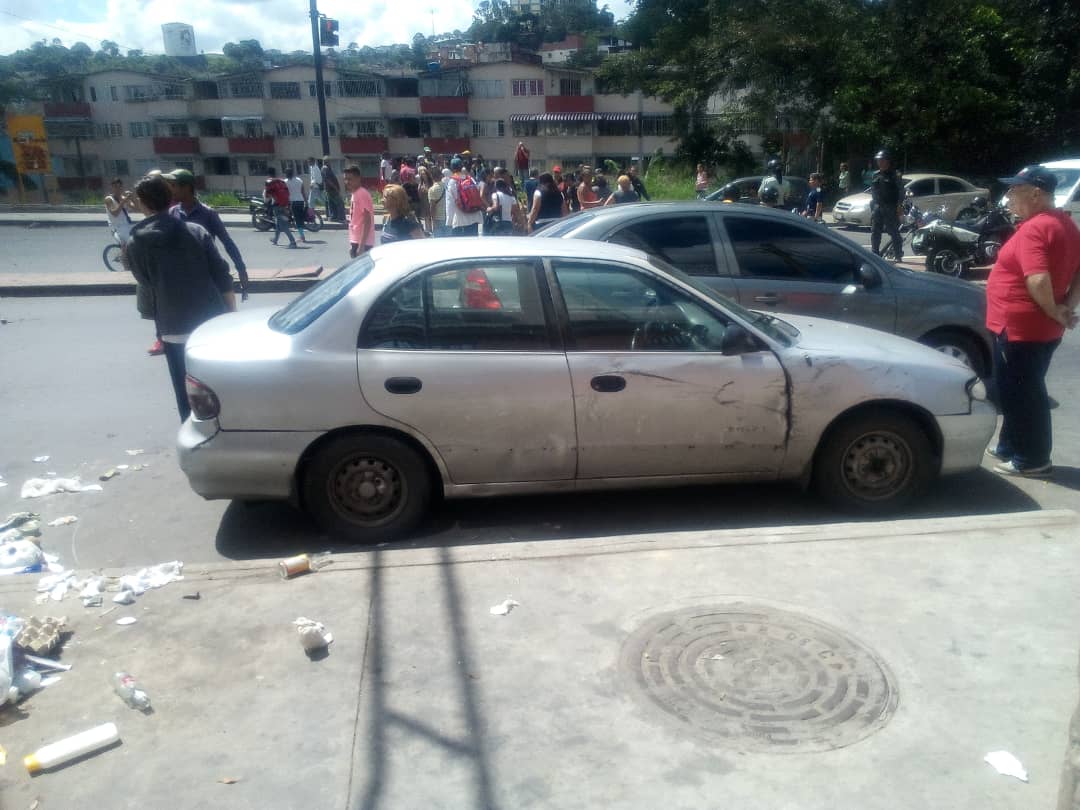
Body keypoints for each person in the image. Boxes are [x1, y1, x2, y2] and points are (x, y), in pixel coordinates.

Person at [985, 165, 1080, 477]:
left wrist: (1057, 311)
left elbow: (1037, 279)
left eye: (1016, 190)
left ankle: (1033, 459)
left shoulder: (1036, 228)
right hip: (1040, 328)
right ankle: (1009, 446)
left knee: (1024, 394)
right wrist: (1066, 307)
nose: (1010, 196)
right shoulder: (1065, 223)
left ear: (1036, 194)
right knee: (1020, 389)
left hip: (1022, 328)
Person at [125, 174, 236, 422]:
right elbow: (222, 275)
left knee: (184, 387)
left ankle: (193, 431)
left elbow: (145, 282)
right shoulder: (195, 231)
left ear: (143, 203)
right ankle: (224, 431)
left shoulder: (135, 241)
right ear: (169, 198)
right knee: (216, 384)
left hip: (172, 327)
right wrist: (230, 316)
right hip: (210, 324)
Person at [164, 169, 249, 301]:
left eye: (174, 186)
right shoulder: (172, 213)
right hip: (182, 277)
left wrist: (241, 270)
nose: (170, 190)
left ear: (186, 187)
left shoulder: (208, 214)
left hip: (207, 276)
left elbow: (227, 242)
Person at [869, 149, 904, 261]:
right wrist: (873, 206)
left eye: (882, 160)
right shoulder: (875, 175)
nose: (880, 163)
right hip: (878, 207)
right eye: (879, 160)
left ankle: (898, 254)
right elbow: (873, 191)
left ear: (888, 161)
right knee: (875, 231)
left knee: (893, 231)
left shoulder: (895, 174)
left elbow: (901, 191)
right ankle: (875, 254)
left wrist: (899, 205)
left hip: (890, 207)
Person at [446, 157, 484, 237]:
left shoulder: (452, 182)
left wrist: (449, 221)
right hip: (475, 217)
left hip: (460, 220)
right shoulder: (470, 179)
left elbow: (450, 203)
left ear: (452, 168)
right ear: (462, 167)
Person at [343, 165, 375, 258]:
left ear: (358, 179)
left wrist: (361, 247)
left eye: (350, 179)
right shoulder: (355, 193)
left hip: (363, 243)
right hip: (357, 241)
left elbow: (367, 221)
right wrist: (352, 243)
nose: (347, 182)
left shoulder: (361, 194)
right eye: (345, 179)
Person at [264, 167, 297, 248]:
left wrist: (267, 201)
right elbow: (287, 192)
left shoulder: (269, 182)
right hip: (285, 203)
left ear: (268, 174)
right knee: (278, 223)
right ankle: (275, 239)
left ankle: (293, 242)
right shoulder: (281, 180)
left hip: (277, 205)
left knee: (283, 225)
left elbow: (267, 196)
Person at [284, 166, 307, 243]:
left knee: (297, 220)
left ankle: (302, 236)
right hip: (301, 201)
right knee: (300, 218)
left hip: (293, 202)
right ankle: (301, 234)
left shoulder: (285, 182)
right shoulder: (299, 180)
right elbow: (303, 191)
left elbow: (285, 194)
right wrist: (306, 201)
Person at [428, 168, 452, 237]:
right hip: (448, 217)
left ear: (432, 176)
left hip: (438, 219)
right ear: (441, 176)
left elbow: (432, 207)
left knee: (439, 242)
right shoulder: (447, 186)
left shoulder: (432, 189)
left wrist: (433, 221)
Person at [322, 157, 345, 221]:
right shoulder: (325, 168)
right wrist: (335, 187)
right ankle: (341, 218)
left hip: (330, 189)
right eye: (329, 161)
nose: (330, 162)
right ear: (327, 162)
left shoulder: (327, 168)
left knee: (332, 203)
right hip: (332, 189)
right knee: (340, 203)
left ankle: (334, 217)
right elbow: (328, 180)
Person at [417, 164, 435, 232]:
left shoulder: (431, 182)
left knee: (431, 216)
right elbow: (419, 192)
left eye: (424, 174)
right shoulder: (421, 183)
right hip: (424, 201)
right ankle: (428, 230)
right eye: (422, 174)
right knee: (426, 217)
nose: (423, 175)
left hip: (430, 201)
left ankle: (432, 229)